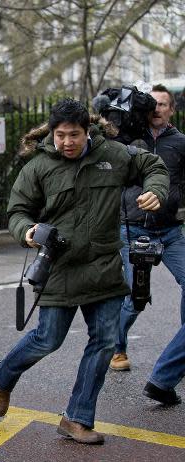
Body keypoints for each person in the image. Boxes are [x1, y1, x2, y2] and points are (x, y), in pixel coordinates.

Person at [0, 99, 168, 444]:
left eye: (74, 134)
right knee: (47, 339)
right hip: (60, 267)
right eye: (60, 135)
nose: (67, 142)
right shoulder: (39, 166)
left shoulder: (113, 155)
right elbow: (16, 211)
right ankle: (3, 375)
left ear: (88, 131)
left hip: (104, 269)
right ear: (51, 134)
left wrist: (155, 190)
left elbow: (153, 166)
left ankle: (77, 418)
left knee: (104, 343)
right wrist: (26, 230)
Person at [110, 84, 185, 374]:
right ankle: (117, 348)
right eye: (152, 104)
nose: (157, 109)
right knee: (135, 297)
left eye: (163, 104)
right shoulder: (128, 138)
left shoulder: (180, 142)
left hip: (169, 231)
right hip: (134, 230)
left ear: (172, 110)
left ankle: (180, 349)